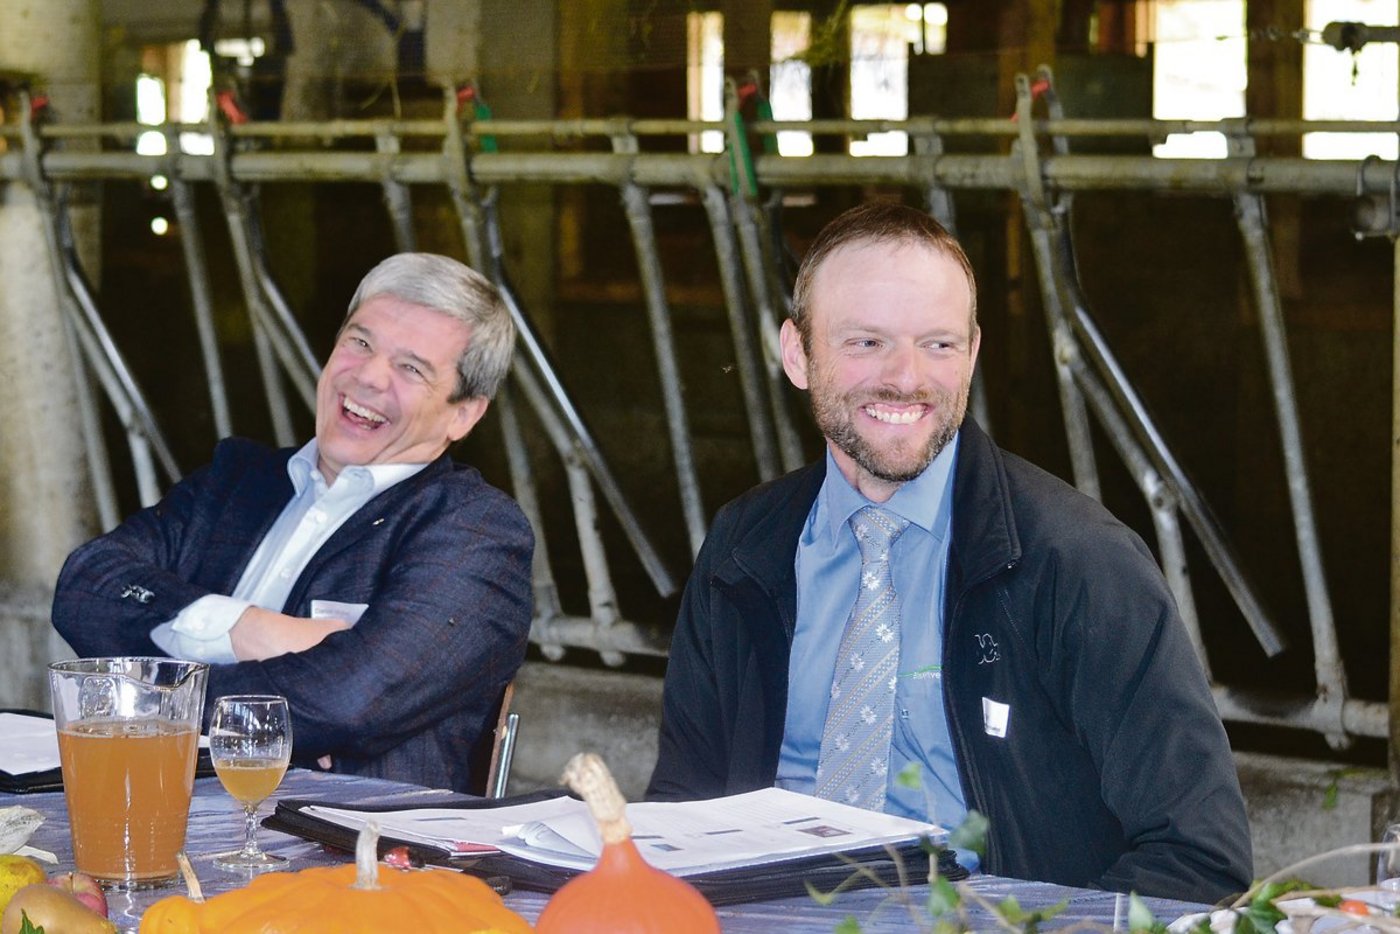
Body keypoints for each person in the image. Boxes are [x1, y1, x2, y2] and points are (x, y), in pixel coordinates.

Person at [646, 202, 1252, 903]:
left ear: (973, 353)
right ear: (796, 354)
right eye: (866, 342)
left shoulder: (1076, 563)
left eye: (937, 344)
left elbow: (1199, 854)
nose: (907, 378)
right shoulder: (742, 548)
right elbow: (681, 816)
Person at [52, 253, 533, 794]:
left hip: (344, 853)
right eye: (360, 342)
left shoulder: (475, 533)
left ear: (462, 413)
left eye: (411, 368)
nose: (369, 376)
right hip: (148, 806)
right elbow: (84, 585)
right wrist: (254, 631)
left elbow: (349, 699)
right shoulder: (236, 480)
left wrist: (150, 697)